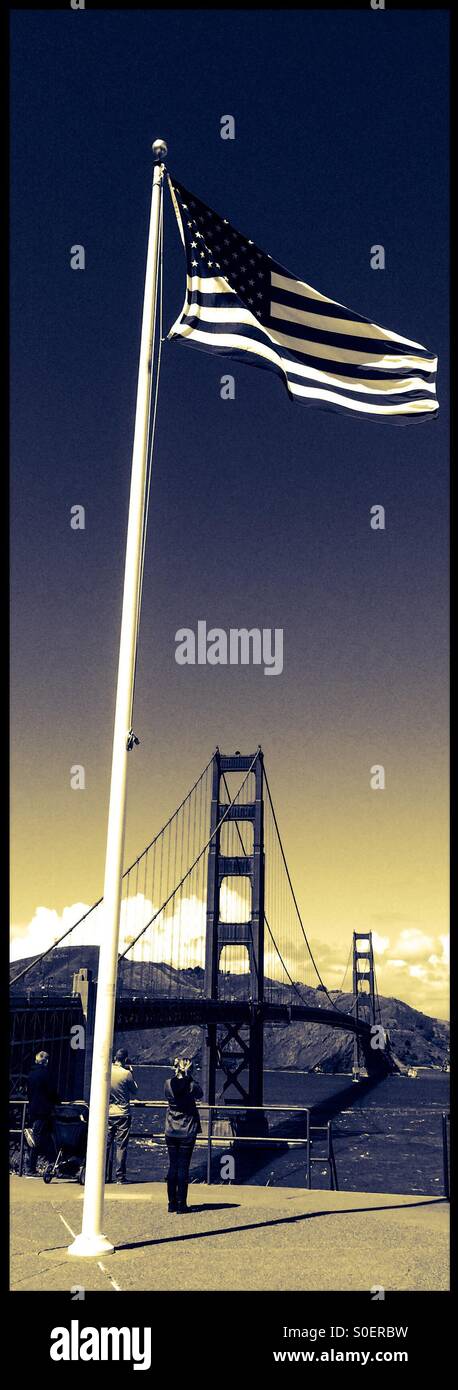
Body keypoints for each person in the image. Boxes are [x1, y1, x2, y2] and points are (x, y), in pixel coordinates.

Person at [164, 1057, 203, 1213]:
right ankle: (182, 1204)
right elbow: (200, 1094)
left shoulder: (167, 1083)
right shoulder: (193, 1086)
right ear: (190, 1069)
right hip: (187, 1129)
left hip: (171, 1128)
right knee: (183, 1167)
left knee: (173, 1165)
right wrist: (189, 1077)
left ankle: (171, 1203)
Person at [24, 1050, 59, 1177]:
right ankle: (32, 1168)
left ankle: (37, 1165)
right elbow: (52, 1091)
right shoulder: (46, 1073)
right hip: (44, 1110)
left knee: (37, 1136)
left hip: (33, 1109)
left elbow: (28, 1092)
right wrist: (58, 1103)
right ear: (47, 1061)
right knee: (40, 1137)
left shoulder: (31, 1074)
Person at [108, 1046, 138, 1183]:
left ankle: (104, 1175)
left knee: (106, 1145)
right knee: (121, 1146)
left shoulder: (107, 1071)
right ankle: (120, 1177)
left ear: (115, 1058)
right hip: (123, 1114)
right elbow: (135, 1090)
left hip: (108, 1113)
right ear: (125, 1059)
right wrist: (132, 1073)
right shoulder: (126, 1074)